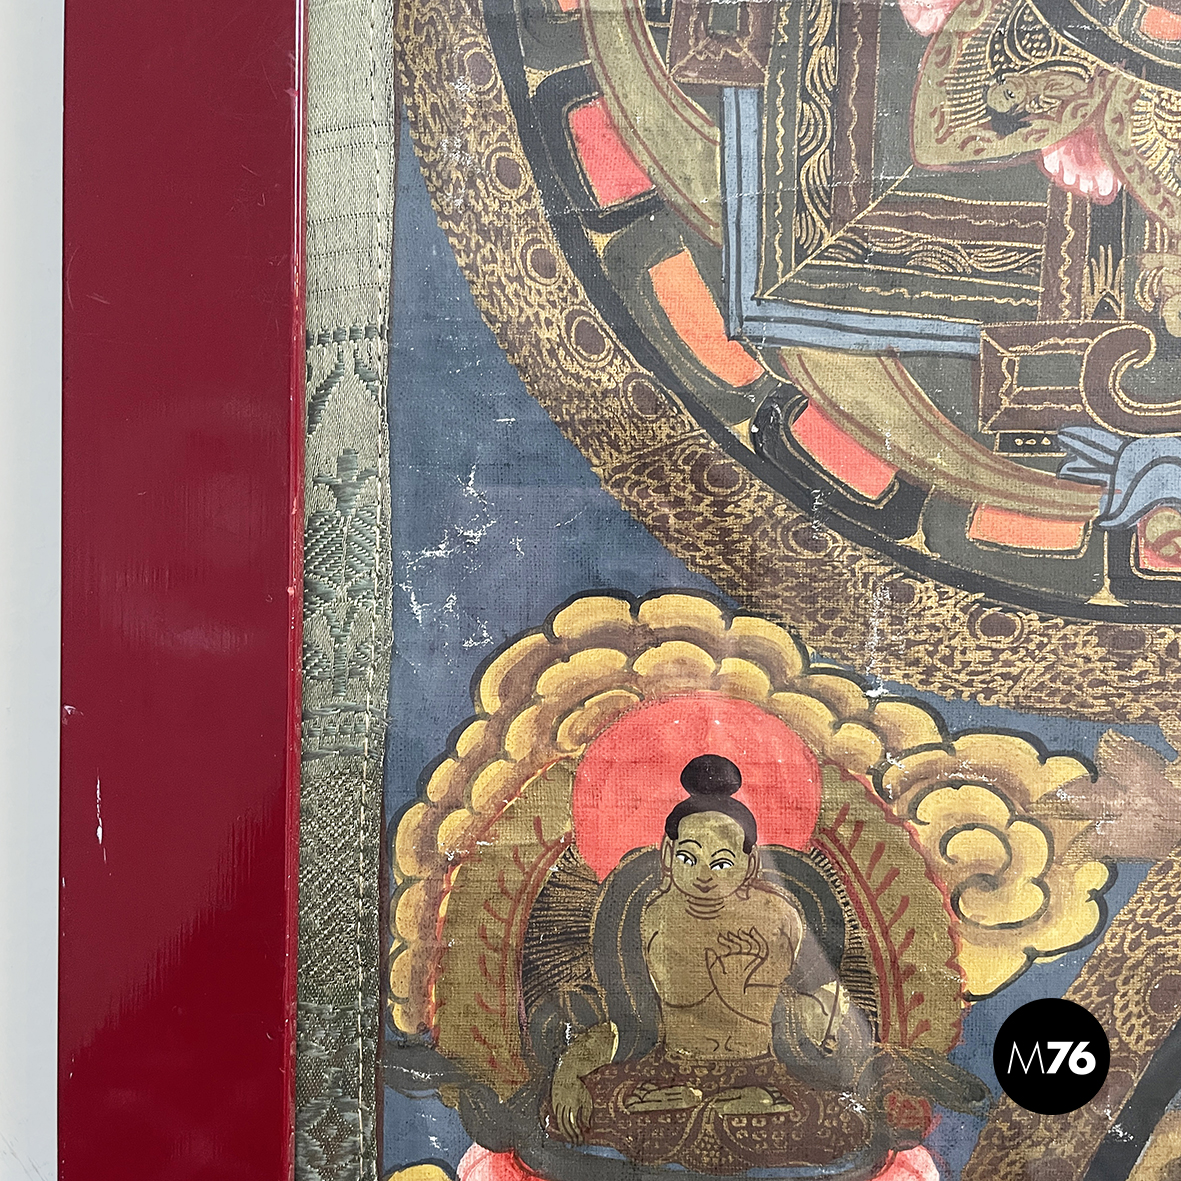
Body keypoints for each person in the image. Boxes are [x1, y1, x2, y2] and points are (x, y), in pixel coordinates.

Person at [547, 755, 877, 1173]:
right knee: (579, 1110)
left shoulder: (777, 917)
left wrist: (759, 993)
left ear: (750, 864)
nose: (704, 876)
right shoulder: (649, 917)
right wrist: (570, 1071)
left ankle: (747, 1102)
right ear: (667, 854)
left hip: (764, 1072)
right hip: (669, 1075)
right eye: (689, 858)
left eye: (722, 863)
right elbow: (625, 1022)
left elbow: (831, 1009)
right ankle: (698, 1104)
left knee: (844, 1121)